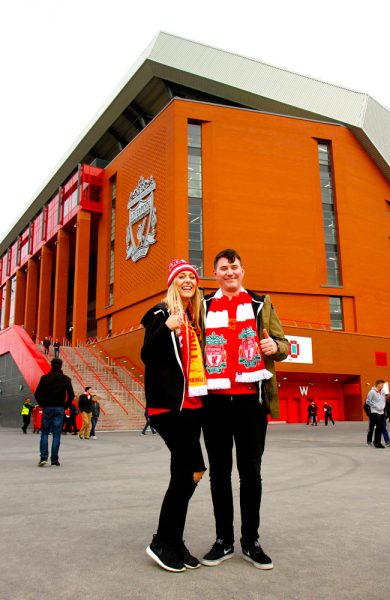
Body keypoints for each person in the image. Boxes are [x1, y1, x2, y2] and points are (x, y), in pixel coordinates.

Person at [201, 249, 289, 570]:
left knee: (251, 474)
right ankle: (223, 540)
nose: (229, 272)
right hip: (214, 403)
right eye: (223, 268)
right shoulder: (204, 306)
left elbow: (283, 344)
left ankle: (250, 541)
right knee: (220, 475)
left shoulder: (260, 304)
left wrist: (274, 347)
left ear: (243, 271)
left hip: (251, 402)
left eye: (234, 267)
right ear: (215, 273)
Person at [141, 259, 207, 573]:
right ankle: (161, 540)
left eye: (191, 276)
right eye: (181, 276)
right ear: (172, 283)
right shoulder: (161, 314)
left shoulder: (194, 318)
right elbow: (147, 354)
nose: (187, 280)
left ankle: (174, 541)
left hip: (192, 406)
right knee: (193, 470)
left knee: (181, 473)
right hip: (169, 407)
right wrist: (167, 329)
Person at [34, 358, 75, 466]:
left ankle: (43, 457)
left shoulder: (45, 378)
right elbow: (71, 395)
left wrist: (43, 404)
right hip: (59, 408)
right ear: (61, 366)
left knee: (44, 433)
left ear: (51, 365)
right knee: (57, 435)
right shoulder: (66, 379)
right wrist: (65, 405)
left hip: (47, 408)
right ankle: (54, 459)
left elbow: (37, 394)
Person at [366, 380, 386, 448]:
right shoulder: (372, 392)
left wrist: (383, 407)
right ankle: (374, 442)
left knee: (380, 427)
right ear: (378, 384)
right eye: (382, 385)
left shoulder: (383, 392)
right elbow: (368, 401)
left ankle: (378, 442)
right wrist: (375, 406)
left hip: (381, 411)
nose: (383, 386)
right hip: (374, 411)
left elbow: (383, 400)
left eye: (383, 385)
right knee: (377, 425)